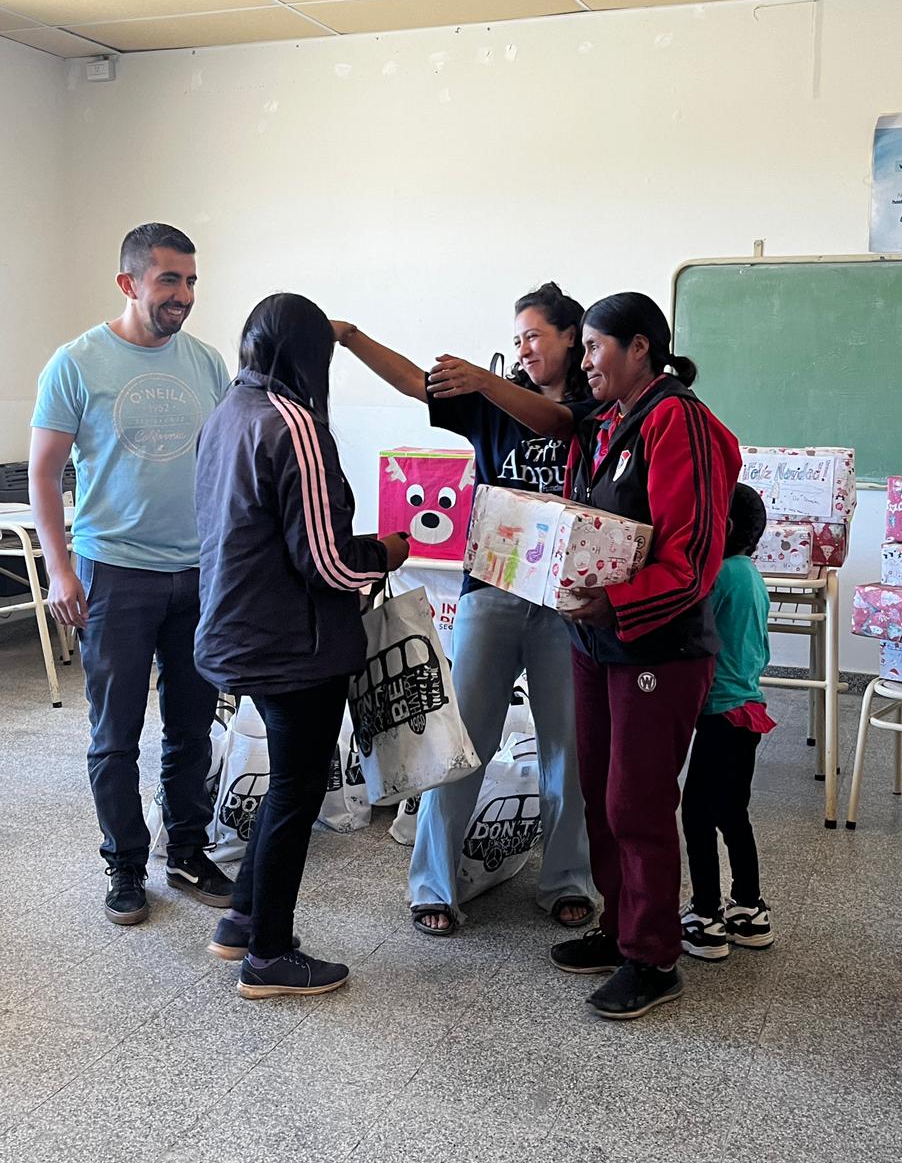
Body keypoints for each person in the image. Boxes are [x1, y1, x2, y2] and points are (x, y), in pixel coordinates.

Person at [439, 291, 741, 1017]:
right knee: (600, 792)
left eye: (597, 347)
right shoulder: (605, 423)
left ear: (640, 348)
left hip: (655, 646)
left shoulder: (678, 421)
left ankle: (653, 957)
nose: (587, 362)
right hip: (593, 640)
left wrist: (616, 603)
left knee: (637, 802)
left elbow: (692, 559)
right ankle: (619, 926)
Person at [331, 282, 597, 936]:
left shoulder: (596, 404)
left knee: (567, 747)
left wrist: (486, 380)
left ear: (571, 337)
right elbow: (414, 382)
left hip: (565, 601)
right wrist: (351, 337)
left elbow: (557, 423)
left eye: (535, 336)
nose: (524, 349)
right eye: (517, 340)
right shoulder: (488, 404)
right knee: (462, 742)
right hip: (492, 591)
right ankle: (434, 884)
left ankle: (567, 879)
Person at [193, 293, 409, 998]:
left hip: (237, 629)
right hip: (294, 644)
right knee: (296, 790)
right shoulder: (294, 424)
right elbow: (329, 562)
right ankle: (269, 956)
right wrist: (388, 551)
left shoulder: (228, 413)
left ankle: (241, 921)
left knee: (289, 781)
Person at [29, 223, 235, 925]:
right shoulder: (77, 363)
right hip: (113, 572)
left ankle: (188, 851)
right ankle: (124, 864)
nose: (184, 294)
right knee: (114, 734)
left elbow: (223, 463)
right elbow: (45, 474)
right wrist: (60, 570)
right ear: (129, 282)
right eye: (169, 279)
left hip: (197, 572)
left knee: (192, 728)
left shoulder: (206, 363)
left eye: (191, 280)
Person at [679, 483, 776, 960]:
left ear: (724, 526)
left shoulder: (718, 574)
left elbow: (689, 629)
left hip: (720, 713)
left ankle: (705, 917)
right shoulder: (751, 574)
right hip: (747, 711)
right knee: (732, 813)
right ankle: (749, 910)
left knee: (696, 814)